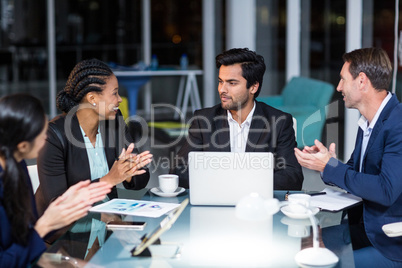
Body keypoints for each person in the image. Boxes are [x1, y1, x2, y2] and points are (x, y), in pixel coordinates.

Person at [294, 47, 402, 267]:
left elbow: (386, 190)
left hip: (388, 241)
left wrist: (330, 167)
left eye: (343, 79)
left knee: (316, 262)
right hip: (364, 228)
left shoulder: (398, 123)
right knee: (302, 244)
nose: (339, 87)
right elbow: (353, 171)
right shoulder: (369, 122)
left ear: (361, 81)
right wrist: (328, 162)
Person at [0, 94, 112, 267]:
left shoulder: (17, 164)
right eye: (42, 134)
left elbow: (27, 244)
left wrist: (71, 263)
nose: (47, 138)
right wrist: (45, 225)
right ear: (22, 145)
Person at [172, 48, 304, 190]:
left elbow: (292, 177)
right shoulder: (203, 119)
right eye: (220, 81)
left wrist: (237, 183)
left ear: (253, 87)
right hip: (215, 201)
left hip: (258, 204)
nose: (222, 89)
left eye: (232, 83)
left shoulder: (279, 121)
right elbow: (178, 172)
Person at [36, 58, 153, 215]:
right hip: (65, 233)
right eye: (114, 93)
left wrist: (129, 172)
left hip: (106, 225)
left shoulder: (114, 121)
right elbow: (57, 203)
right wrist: (108, 180)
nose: (119, 99)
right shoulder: (54, 136)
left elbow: (142, 180)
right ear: (92, 99)